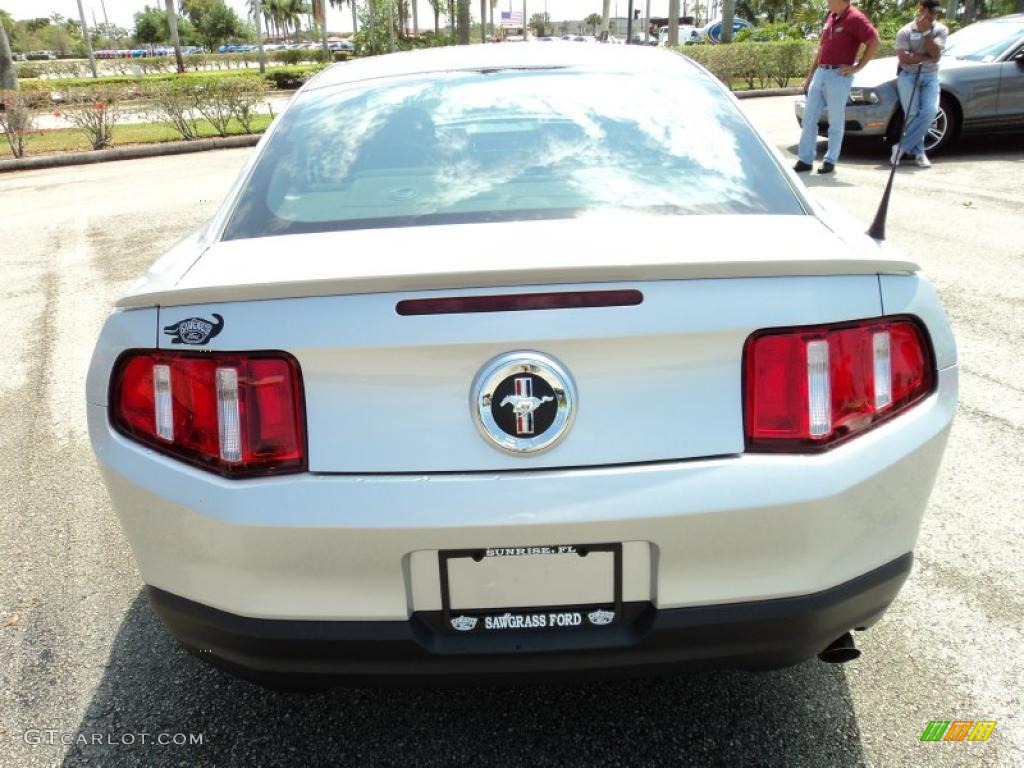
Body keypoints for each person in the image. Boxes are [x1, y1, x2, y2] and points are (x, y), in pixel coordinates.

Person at [794, 0, 880, 175]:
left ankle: (830, 160)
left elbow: (874, 41)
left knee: (835, 119)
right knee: (809, 118)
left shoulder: (855, 17)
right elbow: (822, 48)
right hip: (821, 72)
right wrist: (810, 75)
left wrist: (857, 67)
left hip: (838, 75)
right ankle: (805, 159)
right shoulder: (831, 17)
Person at [892, 0, 948, 168]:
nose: (934, 16)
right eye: (931, 12)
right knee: (913, 114)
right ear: (922, 10)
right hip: (908, 75)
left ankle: (901, 147)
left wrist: (925, 34)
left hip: (930, 75)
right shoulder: (905, 31)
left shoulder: (941, 30)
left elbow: (936, 54)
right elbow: (904, 57)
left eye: (937, 13)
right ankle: (919, 153)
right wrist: (927, 57)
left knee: (930, 111)